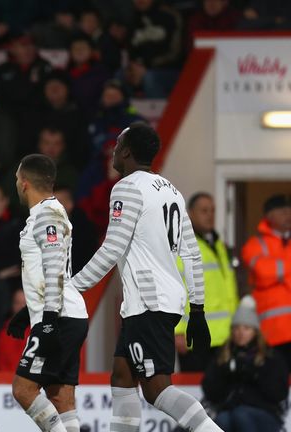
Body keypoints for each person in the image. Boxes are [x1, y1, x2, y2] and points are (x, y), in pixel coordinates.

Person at [66, 122, 220, 431]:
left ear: (126, 151)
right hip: (162, 300)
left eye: (117, 143)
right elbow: (191, 253)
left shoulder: (126, 187)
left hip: (148, 302)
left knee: (156, 388)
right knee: (122, 376)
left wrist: (70, 288)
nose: (112, 149)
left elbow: (112, 248)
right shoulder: (171, 190)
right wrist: (198, 310)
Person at [5, 154, 89, 432]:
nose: (17, 184)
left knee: (23, 390)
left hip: (59, 317)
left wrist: (49, 318)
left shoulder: (46, 215)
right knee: (60, 396)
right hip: (67, 314)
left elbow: (54, 268)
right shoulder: (48, 212)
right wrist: (28, 312)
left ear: (25, 183)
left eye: (18, 179)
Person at [202, 295, 288, 432]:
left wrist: (255, 373)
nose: (241, 333)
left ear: (255, 331)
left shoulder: (270, 357)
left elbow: (279, 393)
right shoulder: (223, 356)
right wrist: (227, 373)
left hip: (266, 414)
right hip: (230, 411)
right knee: (222, 420)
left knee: (240, 415)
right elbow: (210, 391)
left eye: (246, 328)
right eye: (237, 328)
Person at [175, 192, 239, 371]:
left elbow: (228, 290)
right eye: (204, 210)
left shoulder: (219, 245)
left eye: (212, 210)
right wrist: (178, 330)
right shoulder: (182, 246)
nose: (210, 215)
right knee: (196, 394)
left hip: (224, 337)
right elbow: (174, 291)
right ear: (189, 214)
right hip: (195, 338)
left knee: (223, 393)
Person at [240, 194, 291, 369]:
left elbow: (270, 270)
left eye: (289, 210)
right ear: (268, 216)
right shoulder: (255, 244)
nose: (288, 214)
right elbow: (262, 272)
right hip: (271, 333)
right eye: (282, 211)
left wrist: (277, 270)